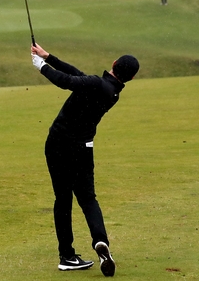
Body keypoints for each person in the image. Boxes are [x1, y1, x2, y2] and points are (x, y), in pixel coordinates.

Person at [30, 44, 138, 276]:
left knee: (63, 198)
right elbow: (78, 75)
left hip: (59, 145)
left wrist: (42, 67)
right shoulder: (111, 91)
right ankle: (100, 241)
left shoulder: (96, 84)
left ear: (113, 64)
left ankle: (67, 256)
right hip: (84, 148)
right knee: (88, 198)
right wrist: (48, 57)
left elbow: (66, 81)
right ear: (131, 77)